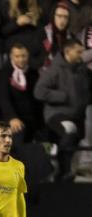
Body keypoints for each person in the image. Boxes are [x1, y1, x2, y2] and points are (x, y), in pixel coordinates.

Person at [34, 39, 90, 181]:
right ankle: (57, 166)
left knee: (72, 145)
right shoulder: (54, 70)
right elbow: (39, 91)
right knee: (69, 131)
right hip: (57, 114)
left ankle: (62, 175)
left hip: (77, 115)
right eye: (78, 52)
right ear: (67, 52)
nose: (81, 54)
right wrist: (62, 96)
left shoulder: (83, 70)